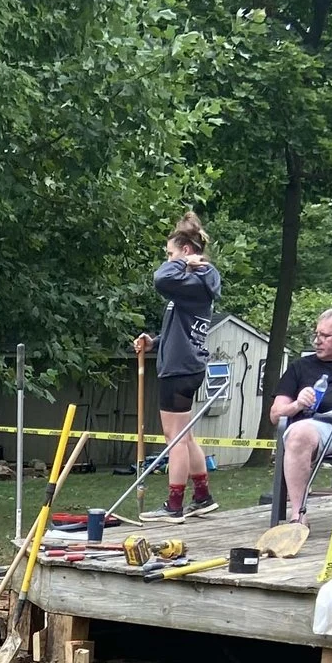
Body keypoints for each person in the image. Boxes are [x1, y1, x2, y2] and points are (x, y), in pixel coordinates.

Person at [134, 212, 221, 522]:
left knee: (176, 437)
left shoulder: (195, 280)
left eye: (170, 253)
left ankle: (174, 505)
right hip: (183, 362)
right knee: (186, 436)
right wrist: (154, 342)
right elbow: (182, 329)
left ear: (186, 250)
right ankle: (202, 496)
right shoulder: (192, 283)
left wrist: (183, 262)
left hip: (180, 369)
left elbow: (160, 278)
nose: (167, 259)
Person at [267, 307, 332, 523]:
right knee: (297, 434)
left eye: (324, 336)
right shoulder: (300, 367)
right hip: (316, 424)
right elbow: (275, 415)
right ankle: (298, 516)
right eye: (316, 334)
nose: (317, 341)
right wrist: (296, 404)